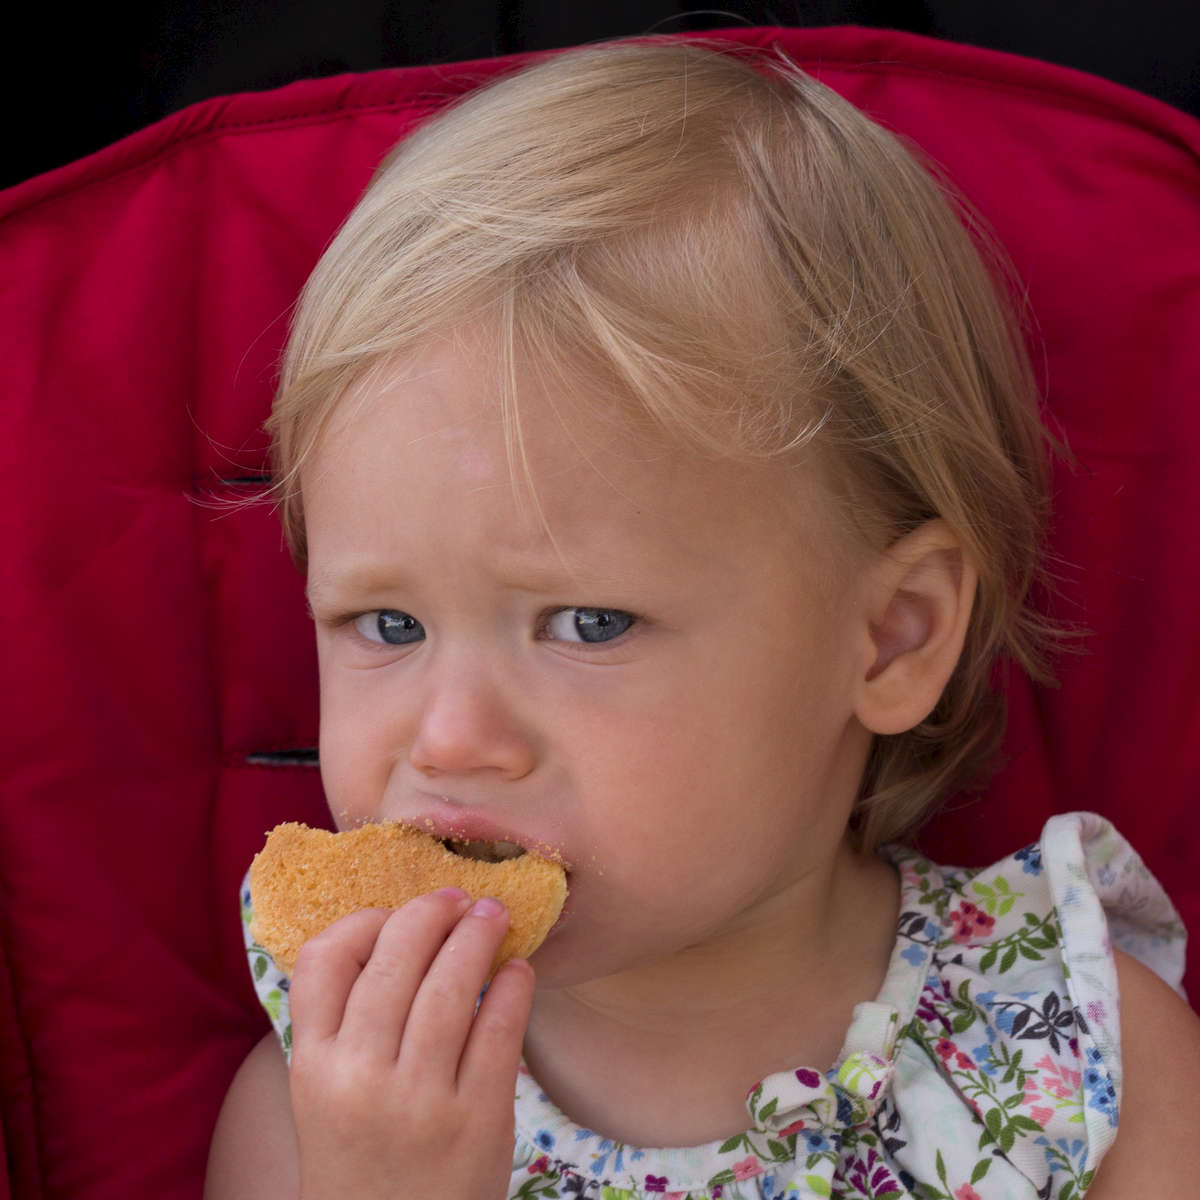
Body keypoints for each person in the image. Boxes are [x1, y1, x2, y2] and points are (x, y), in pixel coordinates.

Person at [204, 39, 1200, 1200]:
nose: (450, 736)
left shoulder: (1074, 1054)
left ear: (893, 637)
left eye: (587, 623)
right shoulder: (327, 1116)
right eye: (387, 625)